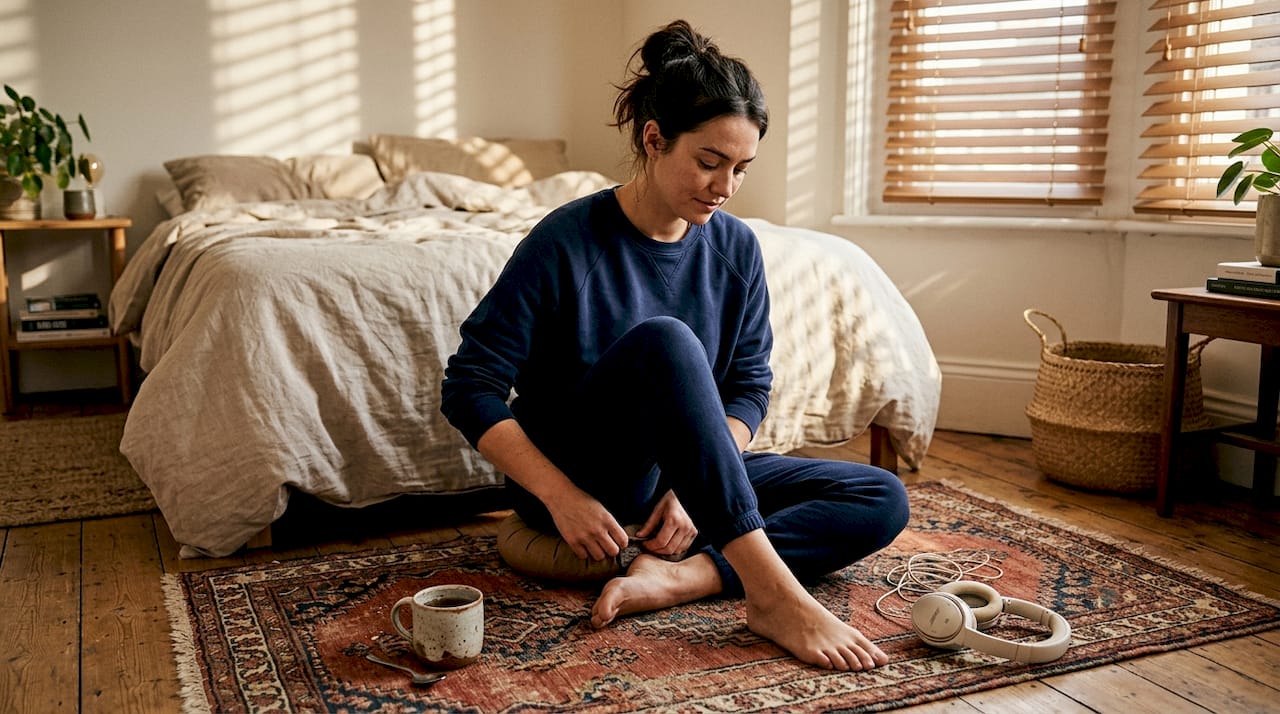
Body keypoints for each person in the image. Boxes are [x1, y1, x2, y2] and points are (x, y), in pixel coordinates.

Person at [440, 19, 909, 671]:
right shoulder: (566, 242)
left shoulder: (737, 248)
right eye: (710, 162)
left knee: (882, 498)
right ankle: (773, 594)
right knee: (666, 342)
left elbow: (748, 387)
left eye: (741, 168)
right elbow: (469, 388)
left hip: (677, 482)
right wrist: (560, 495)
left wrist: (693, 493)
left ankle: (686, 578)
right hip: (584, 479)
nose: (725, 187)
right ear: (654, 141)